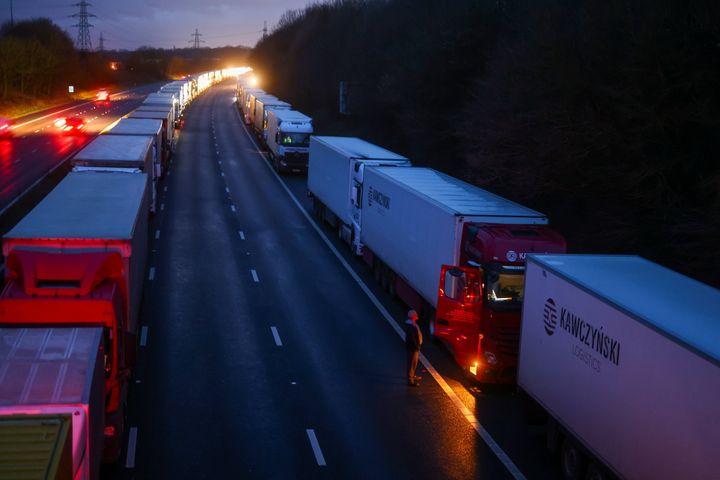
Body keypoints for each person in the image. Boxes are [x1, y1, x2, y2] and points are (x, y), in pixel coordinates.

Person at [404, 309, 423, 387]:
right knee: (412, 363)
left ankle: (412, 375)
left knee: (414, 363)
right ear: (413, 317)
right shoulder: (410, 326)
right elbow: (412, 338)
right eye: (415, 315)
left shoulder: (412, 324)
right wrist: (417, 346)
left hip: (414, 347)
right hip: (413, 348)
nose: (417, 316)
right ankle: (410, 380)